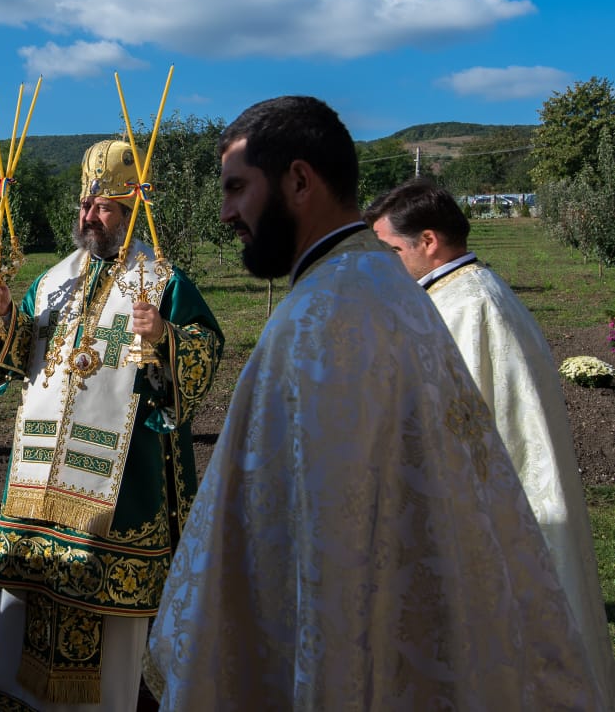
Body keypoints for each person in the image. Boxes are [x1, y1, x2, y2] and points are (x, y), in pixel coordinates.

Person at [149, 96, 602, 709]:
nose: (226, 212)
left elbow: (299, 534)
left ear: (299, 180)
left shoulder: (319, 320)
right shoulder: (387, 284)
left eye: (236, 188)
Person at [0, 139, 223, 711]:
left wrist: (164, 336)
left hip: (122, 472)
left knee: (106, 587)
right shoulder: (54, 279)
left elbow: (205, 350)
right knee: (40, 578)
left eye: (104, 206)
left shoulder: (163, 282)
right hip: (43, 476)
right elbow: (22, 362)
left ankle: (107, 701)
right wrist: (5, 316)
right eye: (85, 204)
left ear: (132, 210)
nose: (90, 217)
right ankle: (24, 687)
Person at [366, 178, 615, 699]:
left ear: (428, 241)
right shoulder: (470, 292)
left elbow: (444, 428)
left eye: (391, 250)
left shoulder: (465, 308)